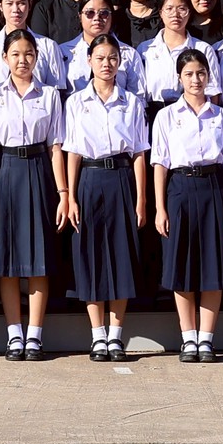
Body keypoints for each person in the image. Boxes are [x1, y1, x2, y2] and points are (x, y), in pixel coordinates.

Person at [59, 33, 149, 361]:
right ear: (89, 61)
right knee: (91, 253)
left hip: (121, 177)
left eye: (112, 58)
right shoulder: (76, 102)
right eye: (100, 58)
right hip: (89, 178)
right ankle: (97, 334)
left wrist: (141, 199)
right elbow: (72, 152)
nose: (106, 64)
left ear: (120, 61)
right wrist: (69, 196)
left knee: (122, 254)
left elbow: (139, 152)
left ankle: (115, 335)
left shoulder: (132, 102)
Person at [151, 48, 223, 363]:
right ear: (179, 78)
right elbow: (160, 163)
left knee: (213, 265)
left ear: (208, 76)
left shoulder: (222, 116)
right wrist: (160, 207)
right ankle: (188, 337)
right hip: (179, 188)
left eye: (201, 73)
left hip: (213, 187)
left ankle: (206, 339)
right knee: (182, 263)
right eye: (189, 74)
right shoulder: (166, 116)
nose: (195, 79)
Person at [0, 30, 63, 360]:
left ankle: (35, 335)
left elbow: (55, 145)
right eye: (15, 54)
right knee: (7, 257)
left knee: (39, 255)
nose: (22, 60)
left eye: (28, 53)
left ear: (37, 57)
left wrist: (63, 191)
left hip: (39, 169)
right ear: (4, 58)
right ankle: (14, 333)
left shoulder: (50, 95)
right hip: (5, 170)